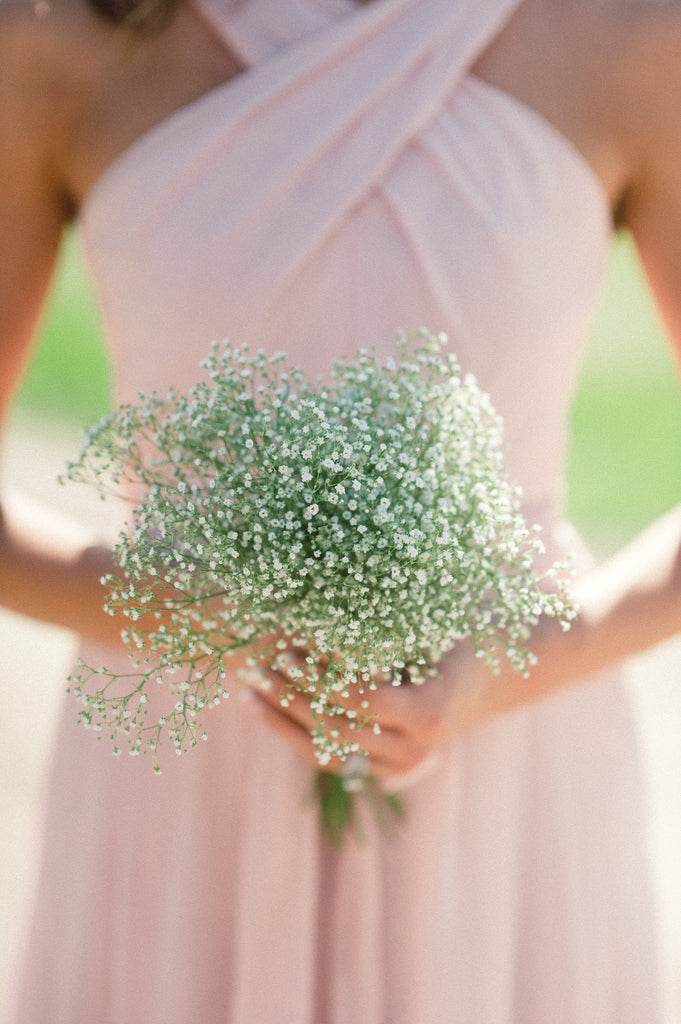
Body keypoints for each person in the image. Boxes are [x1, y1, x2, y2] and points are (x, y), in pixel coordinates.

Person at [2, 0, 681, 1019]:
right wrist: (192, 615)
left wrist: (507, 666)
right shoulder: (65, 37)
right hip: (180, 791)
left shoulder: (623, 34)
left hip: (512, 770)